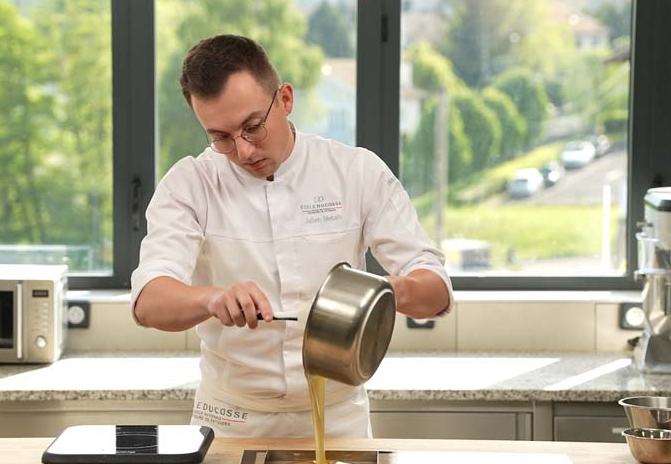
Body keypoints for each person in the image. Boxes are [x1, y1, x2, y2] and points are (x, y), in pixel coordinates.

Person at [131, 34, 452, 439]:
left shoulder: (356, 172)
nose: (244, 151)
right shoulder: (190, 183)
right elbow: (149, 301)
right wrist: (212, 299)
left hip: (338, 419)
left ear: (285, 99)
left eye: (253, 127)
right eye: (221, 137)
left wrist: (380, 292)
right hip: (231, 419)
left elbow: (435, 290)